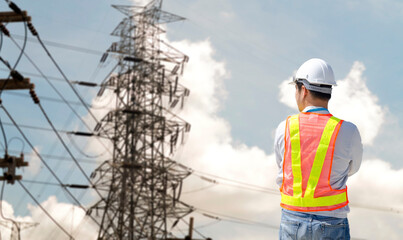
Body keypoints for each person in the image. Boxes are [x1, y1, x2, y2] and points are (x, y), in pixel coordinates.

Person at [274, 58, 363, 240]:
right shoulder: (348, 131)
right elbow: (352, 169)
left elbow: (282, 166)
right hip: (332, 222)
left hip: (292, 221)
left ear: (303, 89)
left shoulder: (284, 128)